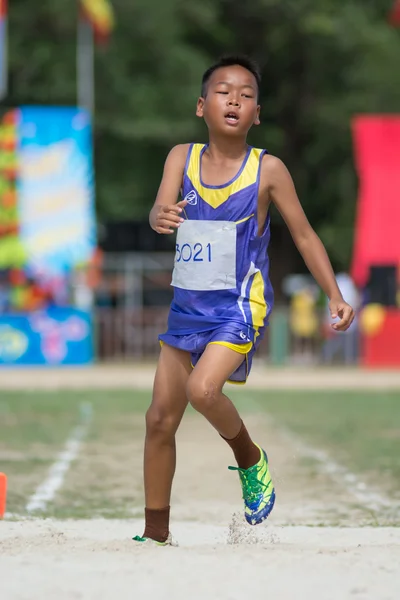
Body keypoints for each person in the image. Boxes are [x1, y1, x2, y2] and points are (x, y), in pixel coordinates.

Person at [133, 55, 355, 546]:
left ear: (256, 114)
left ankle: (250, 458)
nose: (234, 99)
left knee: (203, 391)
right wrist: (159, 216)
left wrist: (335, 295)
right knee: (158, 420)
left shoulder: (267, 169)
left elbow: (304, 235)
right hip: (186, 307)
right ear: (200, 105)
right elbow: (158, 210)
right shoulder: (179, 158)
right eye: (223, 90)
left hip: (237, 306)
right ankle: (155, 534)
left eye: (246, 94)